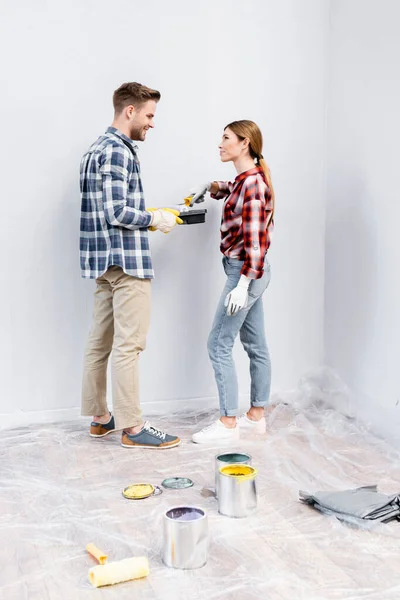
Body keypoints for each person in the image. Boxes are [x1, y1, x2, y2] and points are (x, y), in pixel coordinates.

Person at [80, 82, 181, 449]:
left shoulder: (94, 149)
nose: (151, 123)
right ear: (130, 111)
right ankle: (132, 428)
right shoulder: (119, 151)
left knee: (99, 342)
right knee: (129, 346)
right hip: (126, 262)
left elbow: (102, 211)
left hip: (103, 262)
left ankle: (100, 418)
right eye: (149, 115)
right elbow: (117, 211)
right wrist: (155, 217)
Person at [189, 120, 275, 444]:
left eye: (226, 138)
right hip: (249, 270)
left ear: (244, 144)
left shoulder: (253, 186)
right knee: (255, 344)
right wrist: (213, 187)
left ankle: (228, 424)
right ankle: (255, 417)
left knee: (218, 344)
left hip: (246, 270)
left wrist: (242, 284)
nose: (220, 144)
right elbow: (234, 189)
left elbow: (255, 242)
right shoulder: (246, 180)